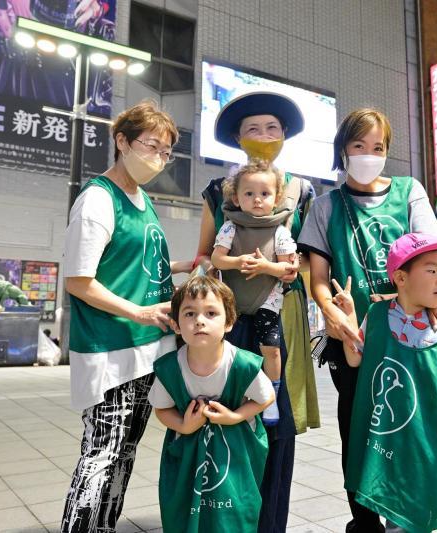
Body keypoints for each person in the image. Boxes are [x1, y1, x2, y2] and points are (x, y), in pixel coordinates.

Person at [298, 109, 437, 533]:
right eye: (358, 146)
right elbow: (319, 279)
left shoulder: (408, 191)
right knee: (360, 436)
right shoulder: (326, 206)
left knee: (435, 429)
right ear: (342, 149)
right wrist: (333, 314)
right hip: (356, 341)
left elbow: (433, 252)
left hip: (418, 335)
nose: (367, 155)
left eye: (377, 147)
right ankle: (367, 525)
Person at [61, 101, 192, 532]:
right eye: (150, 145)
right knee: (103, 452)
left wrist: (184, 267)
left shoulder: (142, 200)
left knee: (125, 451)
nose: (158, 157)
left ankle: (103, 526)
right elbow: (80, 280)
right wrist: (137, 311)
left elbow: (135, 264)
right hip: (111, 347)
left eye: (166, 151)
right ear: (121, 141)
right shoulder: (99, 199)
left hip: (145, 348)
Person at [196, 91, 315, 532]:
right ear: (237, 138)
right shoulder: (217, 191)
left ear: (285, 136)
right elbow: (204, 254)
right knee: (224, 409)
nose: (263, 136)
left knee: (277, 419)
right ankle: (226, 515)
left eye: (272, 128)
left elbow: (311, 257)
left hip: (281, 315)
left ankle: (270, 523)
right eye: (252, 128)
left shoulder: (303, 190)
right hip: (228, 317)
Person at [333, 233, 437, 532]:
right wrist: (348, 318)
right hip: (390, 440)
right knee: (399, 515)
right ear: (400, 277)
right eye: (432, 270)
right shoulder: (377, 313)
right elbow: (356, 358)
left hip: (432, 440)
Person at [149, 274, 274, 533]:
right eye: (190, 314)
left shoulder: (241, 364)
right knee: (184, 509)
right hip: (187, 450)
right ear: (176, 324)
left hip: (236, 450)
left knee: (234, 511)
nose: (200, 321)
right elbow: (162, 408)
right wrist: (183, 426)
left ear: (229, 322)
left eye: (211, 313)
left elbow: (265, 398)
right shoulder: (170, 367)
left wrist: (236, 416)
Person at [211, 161, 297, 425]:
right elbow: (216, 259)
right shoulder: (230, 227)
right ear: (236, 197)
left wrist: (265, 266)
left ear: (277, 198)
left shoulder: (280, 231)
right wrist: (237, 261)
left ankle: (271, 395)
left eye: (264, 194)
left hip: (267, 301)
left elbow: (287, 268)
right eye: (249, 193)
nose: (257, 199)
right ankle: (232, 394)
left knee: (270, 348)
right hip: (233, 300)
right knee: (230, 350)